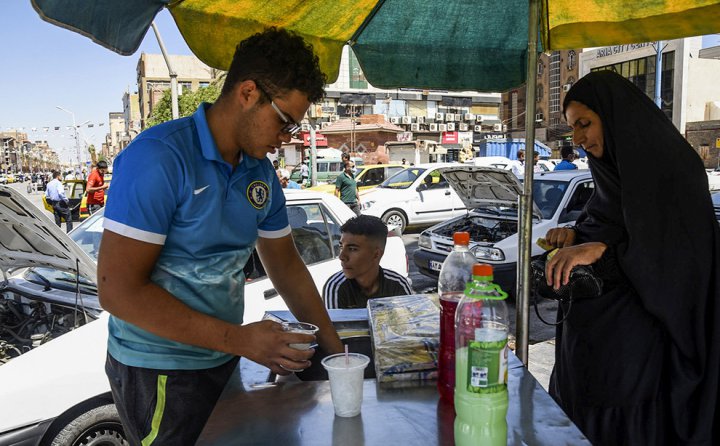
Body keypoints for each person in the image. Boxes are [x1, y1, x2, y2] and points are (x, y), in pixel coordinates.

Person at [97, 28, 344, 445]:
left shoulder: (259, 172)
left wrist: (338, 355)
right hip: (159, 369)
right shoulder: (159, 158)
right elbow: (117, 291)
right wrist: (243, 341)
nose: (285, 139)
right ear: (248, 93)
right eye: (284, 122)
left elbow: (284, 264)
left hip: (224, 358)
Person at [543, 70, 720, 445]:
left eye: (585, 124)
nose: (577, 139)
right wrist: (576, 234)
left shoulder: (674, 171)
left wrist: (604, 250)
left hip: (638, 362)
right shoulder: (611, 171)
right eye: (573, 128)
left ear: (615, 115)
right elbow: (608, 220)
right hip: (588, 355)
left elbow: (681, 257)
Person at [323, 215, 412, 309]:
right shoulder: (335, 287)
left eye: (352, 249)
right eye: (341, 247)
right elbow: (332, 324)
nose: (341, 256)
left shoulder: (398, 284)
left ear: (376, 254)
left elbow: (411, 321)